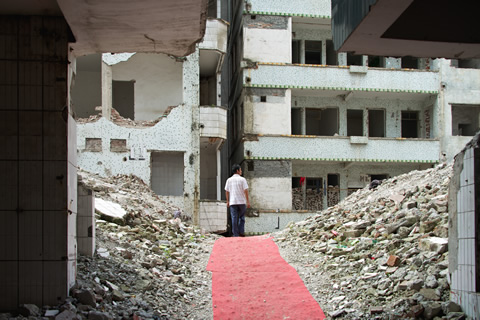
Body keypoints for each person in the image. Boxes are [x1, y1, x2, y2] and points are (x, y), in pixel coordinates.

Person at [224, 164, 250, 237]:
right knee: (242, 217)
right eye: (240, 170)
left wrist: (228, 201)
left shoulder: (229, 180)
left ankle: (235, 234)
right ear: (237, 171)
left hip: (233, 202)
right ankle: (241, 232)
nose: (241, 171)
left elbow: (226, 191)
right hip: (241, 202)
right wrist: (248, 201)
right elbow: (246, 191)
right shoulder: (242, 179)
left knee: (234, 218)